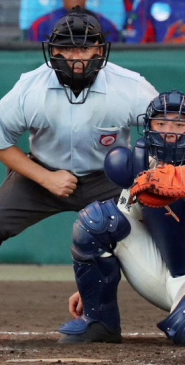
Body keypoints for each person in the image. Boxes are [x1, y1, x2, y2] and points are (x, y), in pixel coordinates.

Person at [0, 6, 158, 340]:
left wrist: (146, 177)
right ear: (53, 51)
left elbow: (163, 136)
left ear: (99, 50)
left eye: (84, 47)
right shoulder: (30, 88)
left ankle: (110, 318)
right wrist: (45, 177)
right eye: (66, 48)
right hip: (41, 173)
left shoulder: (130, 87)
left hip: (110, 180)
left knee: (166, 220)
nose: (75, 56)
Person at [58, 90, 185, 344]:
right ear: (148, 127)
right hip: (170, 274)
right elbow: (125, 219)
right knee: (98, 221)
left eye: (180, 125)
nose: (169, 131)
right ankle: (99, 321)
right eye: (161, 123)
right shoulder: (140, 164)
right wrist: (91, 287)